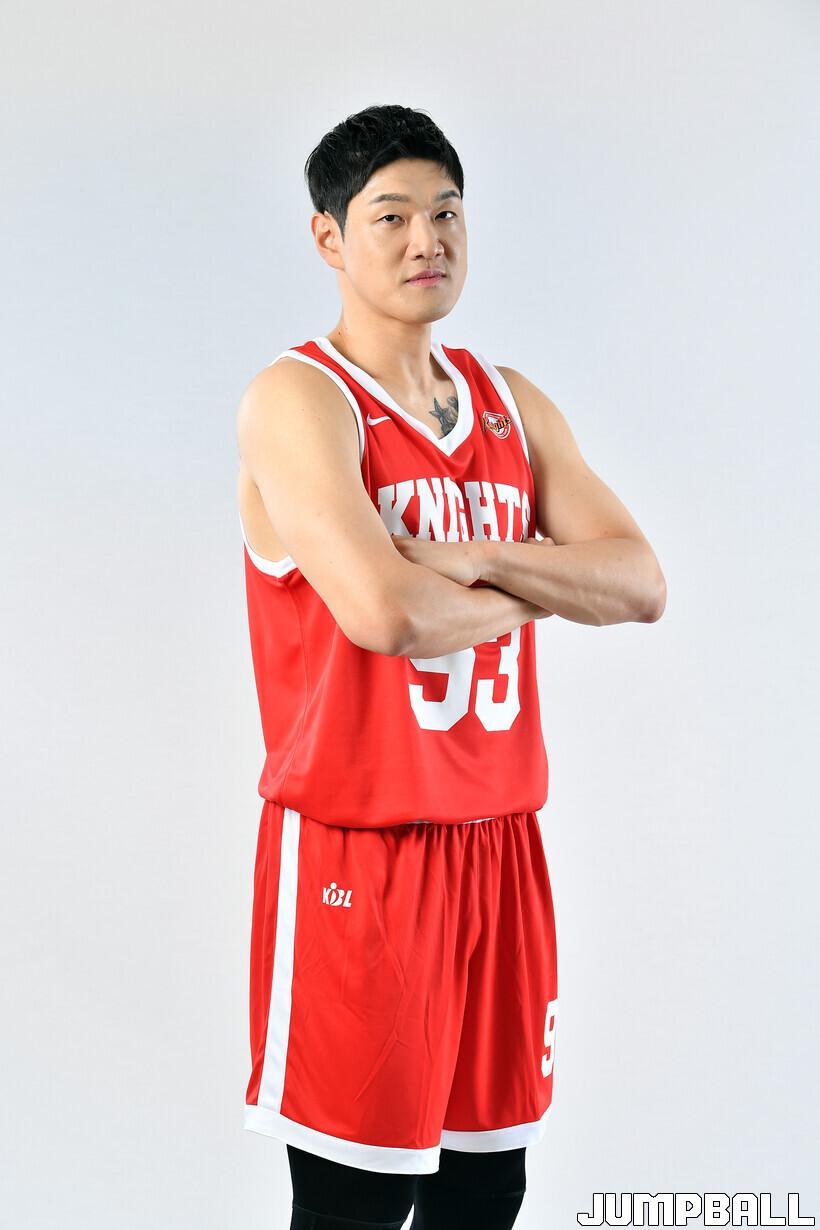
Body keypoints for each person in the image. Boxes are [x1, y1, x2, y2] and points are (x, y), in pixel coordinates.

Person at [236, 104, 666, 1230]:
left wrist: (475, 558)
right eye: (390, 217)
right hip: (361, 852)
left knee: (488, 1188)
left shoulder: (511, 402)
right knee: (357, 1202)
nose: (426, 239)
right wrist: (549, 584)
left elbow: (638, 583)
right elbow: (386, 614)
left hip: (501, 844)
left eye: (446, 212)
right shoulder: (300, 400)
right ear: (329, 238)